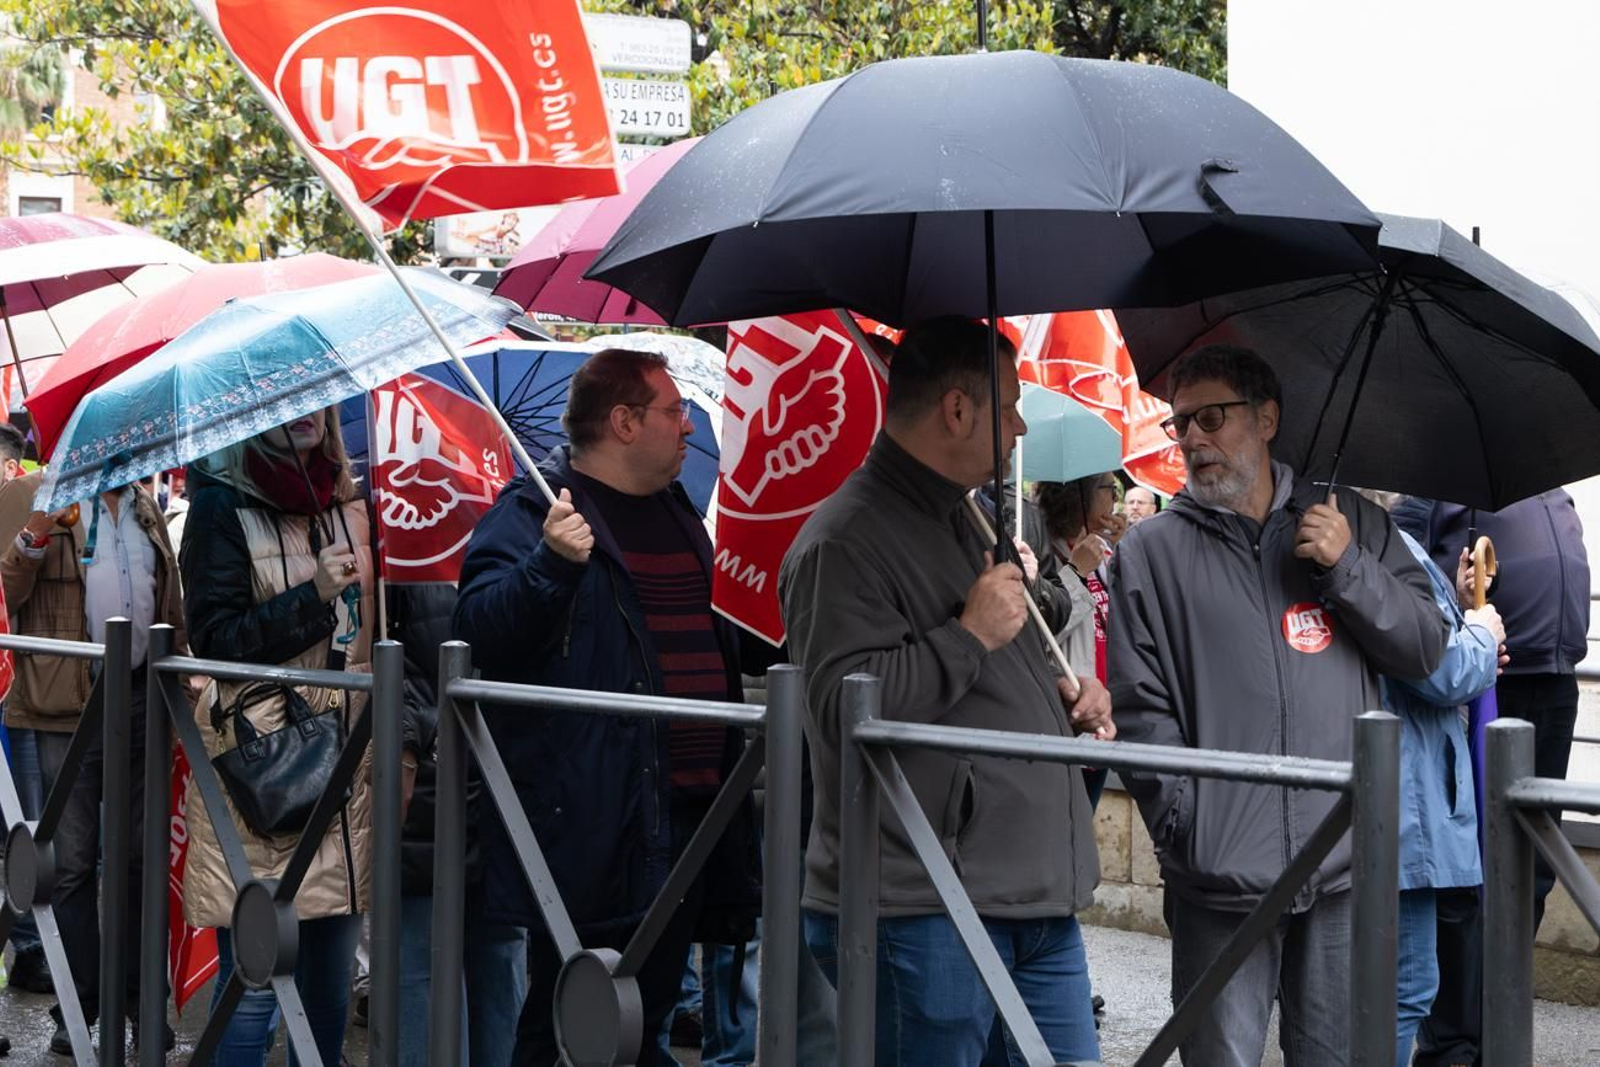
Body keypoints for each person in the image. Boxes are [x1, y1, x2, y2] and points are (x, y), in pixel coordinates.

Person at [779, 317, 1111, 1067]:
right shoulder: (844, 539)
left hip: (1027, 894)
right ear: (957, 411)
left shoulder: (970, 514)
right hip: (922, 906)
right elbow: (840, 713)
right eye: (1009, 406)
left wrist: (1065, 691)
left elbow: (999, 663)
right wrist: (967, 634)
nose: (1020, 424)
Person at [1107, 344, 1446, 1066]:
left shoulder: (1345, 520)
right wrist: (1191, 828)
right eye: (1181, 424)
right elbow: (1141, 710)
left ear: (1266, 419)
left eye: (1212, 417)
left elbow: (1424, 649)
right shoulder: (1149, 553)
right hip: (1220, 879)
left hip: (1342, 872)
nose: (1194, 438)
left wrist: (1348, 566)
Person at [453, 348, 763, 1067]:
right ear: (624, 422)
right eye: (673, 410)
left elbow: (710, 631)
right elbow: (478, 632)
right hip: (596, 813)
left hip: (689, 813)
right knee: (576, 1015)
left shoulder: (678, 509)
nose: (688, 426)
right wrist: (550, 565)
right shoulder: (536, 509)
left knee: (642, 1016)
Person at [180, 407, 378, 1067]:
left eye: (317, 400)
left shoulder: (348, 505)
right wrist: (315, 593)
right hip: (266, 767)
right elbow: (215, 642)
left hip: (347, 764)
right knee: (258, 983)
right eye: (284, 402)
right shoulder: (218, 507)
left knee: (327, 983)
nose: (307, 415)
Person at [1394, 490, 1591, 1067]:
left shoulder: (1553, 488)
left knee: (1531, 869)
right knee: (1466, 871)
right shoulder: (1437, 489)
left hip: (1555, 683)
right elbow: (1406, 584)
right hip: (1491, 685)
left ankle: (1494, 1015)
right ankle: (1454, 1040)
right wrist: (1466, 619)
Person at [1, 464, 185, 1055]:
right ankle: (78, 1004)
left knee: (137, 858)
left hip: (140, 696)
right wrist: (34, 532)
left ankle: (137, 1001)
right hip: (65, 703)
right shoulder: (31, 493)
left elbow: (168, 598)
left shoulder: (142, 501)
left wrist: (182, 668)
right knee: (74, 861)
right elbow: (5, 594)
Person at [1361, 491, 1503, 1065]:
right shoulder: (1374, 541)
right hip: (1406, 796)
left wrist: (1455, 594)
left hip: (1401, 792)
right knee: (1405, 990)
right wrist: (1482, 635)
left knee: (1400, 988)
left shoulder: (1369, 541)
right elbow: (1439, 670)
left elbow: (1411, 633)